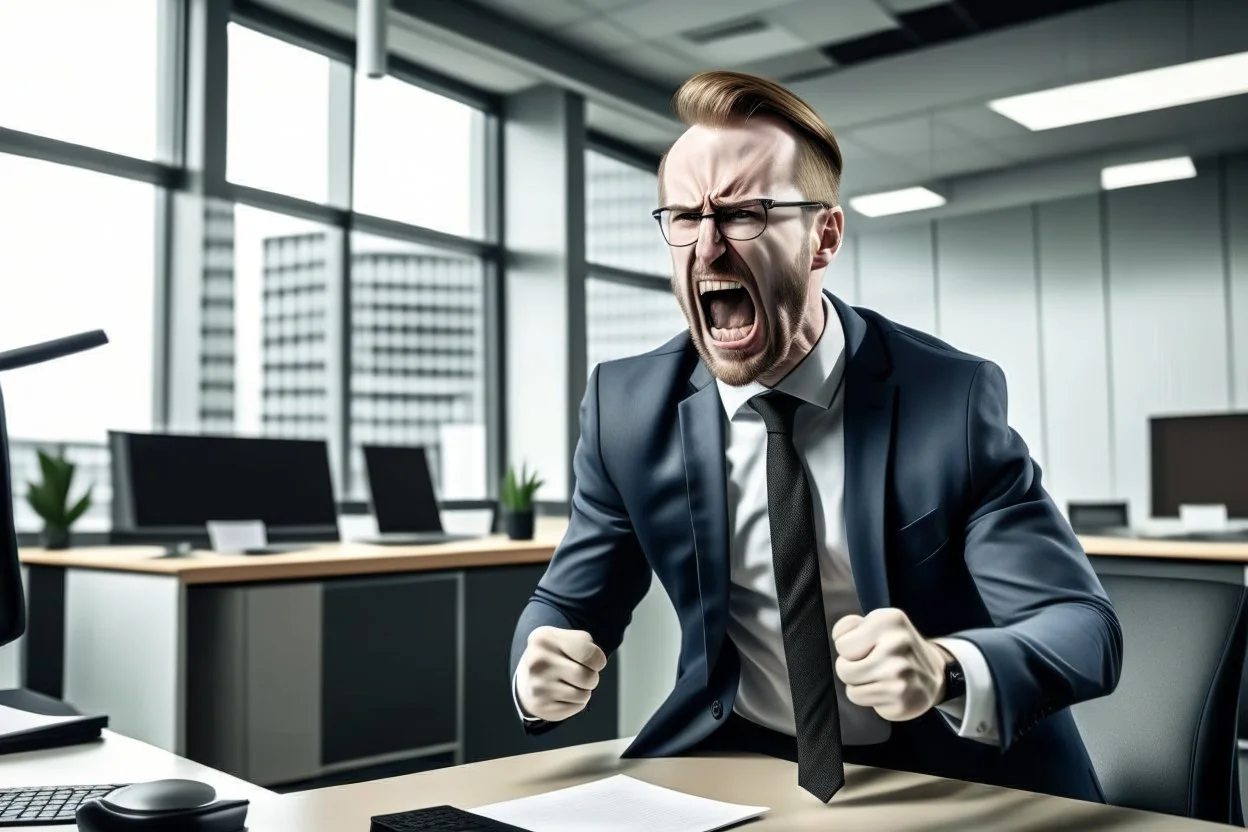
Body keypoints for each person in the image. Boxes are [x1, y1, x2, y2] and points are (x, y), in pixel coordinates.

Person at [509, 70, 1122, 804]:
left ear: (823, 237)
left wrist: (943, 667)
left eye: (744, 213)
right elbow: (571, 606)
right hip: (737, 764)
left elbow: (1084, 628)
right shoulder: (626, 408)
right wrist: (535, 665)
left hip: (946, 776)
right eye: (683, 217)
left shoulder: (948, 400)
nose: (707, 248)